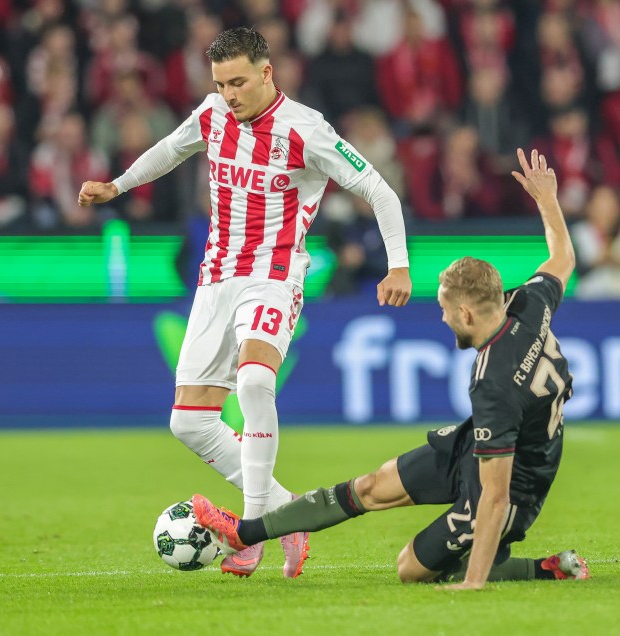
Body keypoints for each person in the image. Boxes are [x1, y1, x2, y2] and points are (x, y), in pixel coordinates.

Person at [78, 28, 412, 578]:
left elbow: (379, 190)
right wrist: (117, 186)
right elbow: (171, 149)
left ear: (266, 73)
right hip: (216, 279)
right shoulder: (213, 114)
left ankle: (253, 531)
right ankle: (288, 513)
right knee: (188, 422)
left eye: (237, 82)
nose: (228, 94)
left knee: (255, 381)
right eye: (220, 83)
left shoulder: (306, 130)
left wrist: (397, 265)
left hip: (273, 276)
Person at [192, 148, 589, 590]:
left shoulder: (492, 381)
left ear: (467, 313)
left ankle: (543, 569)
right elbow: (563, 258)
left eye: (445, 310)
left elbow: (494, 498)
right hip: (478, 447)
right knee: (371, 486)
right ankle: (245, 532)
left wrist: (474, 583)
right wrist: (547, 199)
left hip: (515, 484)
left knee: (411, 569)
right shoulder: (527, 304)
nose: (442, 319)